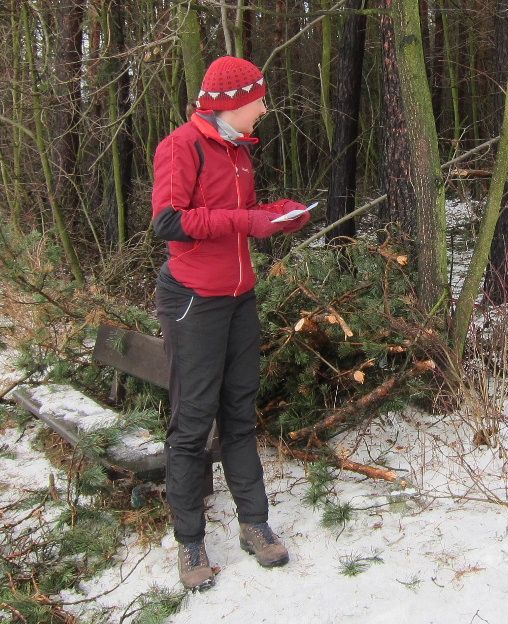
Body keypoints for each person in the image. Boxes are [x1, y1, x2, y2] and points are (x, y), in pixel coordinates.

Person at [151, 56, 311, 590]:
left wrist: (278, 213)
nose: (265, 108)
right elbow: (169, 221)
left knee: (240, 412)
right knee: (192, 422)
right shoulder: (183, 146)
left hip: (241, 297)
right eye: (259, 100)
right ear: (233, 104)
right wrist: (247, 221)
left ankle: (254, 524)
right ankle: (190, 542)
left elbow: (232, 216)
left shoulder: (239, 151)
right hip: (195, 298)